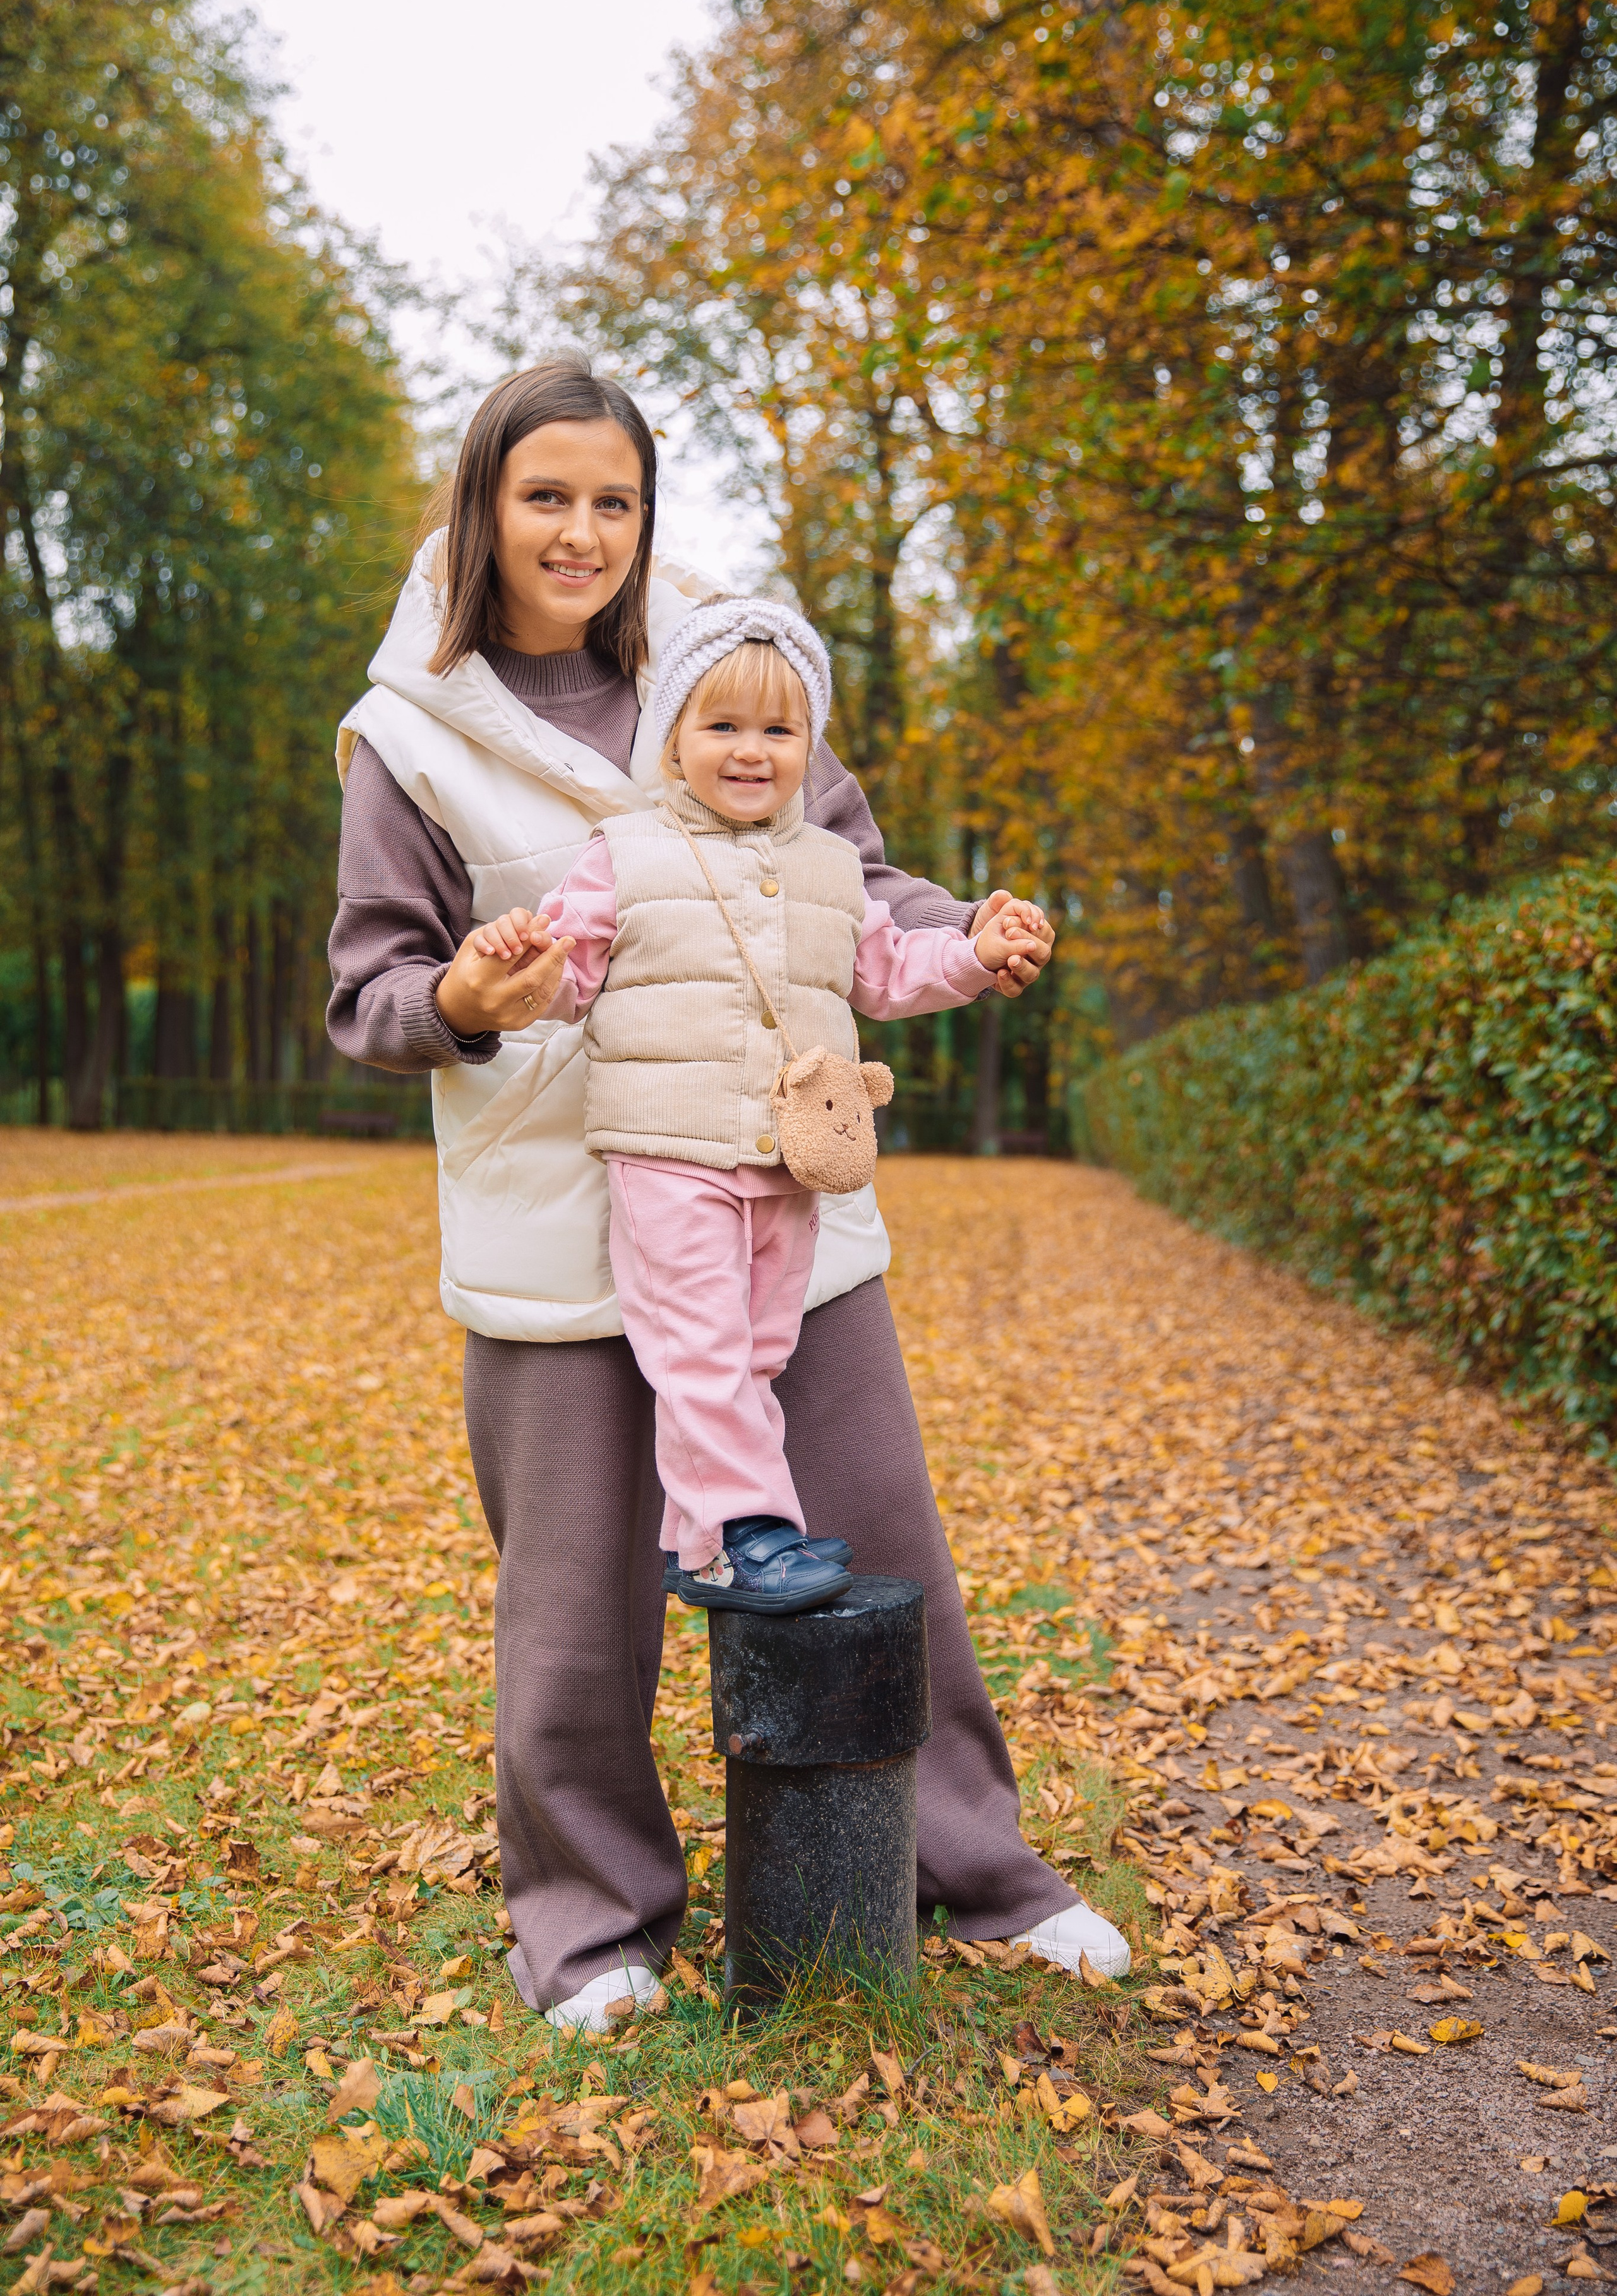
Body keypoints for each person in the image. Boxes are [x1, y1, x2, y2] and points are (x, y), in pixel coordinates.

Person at [327, 352, 1132, 2030]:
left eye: (612, 498)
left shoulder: (727, 663)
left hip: (785, 1185)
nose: (581, 530)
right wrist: (468, 1000)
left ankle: (972, 1868)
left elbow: (852, 874)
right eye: (545, 494)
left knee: (879, 1534)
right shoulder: (413, 736)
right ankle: (593, 1927)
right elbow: (374, 992)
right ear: (483, 507)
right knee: (576, 1612)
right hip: (558, 1213)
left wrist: (961, 933)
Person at [461, 592, 1047, 1615]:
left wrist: (974, 954)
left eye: (779, 731)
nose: (750, 751)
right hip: (668, 1152)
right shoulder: (625, 853)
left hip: (792, 1159)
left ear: (809, 745)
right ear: (674, 737)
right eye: (721, 726)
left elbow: (889, 969)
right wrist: (520, 971)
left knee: (761, 1351)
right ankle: (748, 1533)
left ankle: (700, 1541)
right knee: (700, 1351)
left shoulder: (829, 868)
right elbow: (570, 971)